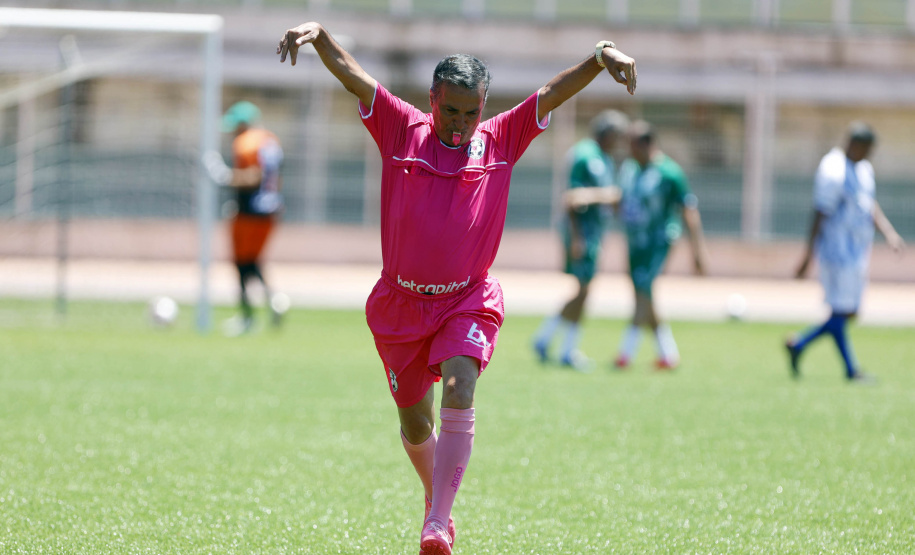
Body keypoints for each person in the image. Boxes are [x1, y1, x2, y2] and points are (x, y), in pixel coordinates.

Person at [277, 23, 635, 555]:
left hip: (468, 299)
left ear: (484, 107)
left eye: (471, 113)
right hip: (400, 304)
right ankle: (434, 499)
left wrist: (600, 55)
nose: (460, 125)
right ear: (433, 101)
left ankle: (440, 523)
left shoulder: (500, 139)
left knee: (461, 384)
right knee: (414, 422)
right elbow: (355, 77)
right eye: (452, 112)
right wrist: (320, 36)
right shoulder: (402, 130)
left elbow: (550, 94)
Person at [786, 122, 905, 382]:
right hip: (837, 252)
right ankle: (850, 369)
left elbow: (868, 204)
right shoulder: (833, 170)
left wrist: (889, 233)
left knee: (847, 313)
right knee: (842, 311)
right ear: (855, 144)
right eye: (867, 149)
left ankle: (800, 344)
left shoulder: (863, 169)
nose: (869, 154)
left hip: (857, 251)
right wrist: (808, 255)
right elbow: (820, 212)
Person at [532, 109, 629, 371]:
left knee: (584, 290)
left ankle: (547, 339)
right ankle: (563, 347)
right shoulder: (584, 155)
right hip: (582, 232)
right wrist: (577, 237)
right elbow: (572, 197)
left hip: (594, 231)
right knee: (585, 289)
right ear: (607, 133)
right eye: (617, 136)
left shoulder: (604, 159)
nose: (618, 142)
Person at [611, 120, 707, 370]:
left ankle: (625, 353)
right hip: (635, 242)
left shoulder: (669, 172)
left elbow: (688, 210)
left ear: (646, 144)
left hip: (659, 241)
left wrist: (697, 252)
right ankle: (668, 355)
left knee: (643, 289)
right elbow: (621, 198)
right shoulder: (630, 169)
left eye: (632, 145)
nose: (628, 151)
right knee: (643, 294)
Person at [205, 101, 285, 336]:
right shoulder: (271, 140)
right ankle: (273, 299)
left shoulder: (247, 143)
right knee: (252, 261)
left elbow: (254, 177)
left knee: (241, 264)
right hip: (270, 211)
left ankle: (247, 316)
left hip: (250, 212)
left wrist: (226, 176)